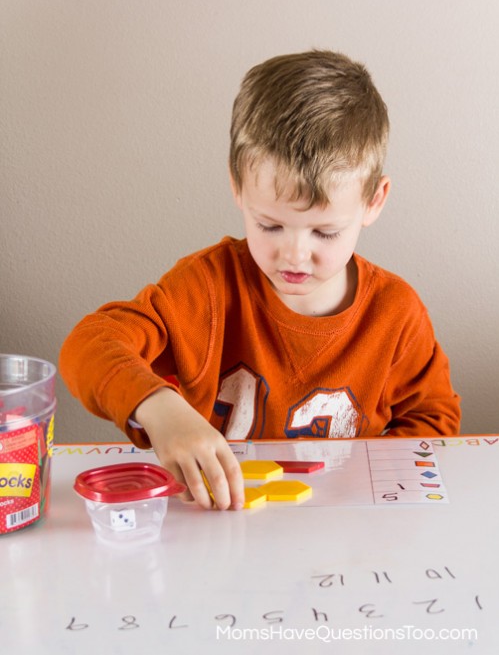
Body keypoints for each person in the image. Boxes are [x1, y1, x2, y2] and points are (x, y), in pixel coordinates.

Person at [59, 50, 461, 512]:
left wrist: (369, 494)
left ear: (374, 201)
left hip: (341, 542)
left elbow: (434, 421)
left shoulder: (395, 313)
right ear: (238, 185)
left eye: (325, 232)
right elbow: (88, 344)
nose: (294, 253)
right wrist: (160, 409)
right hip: (214, 530)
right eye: (270, 225)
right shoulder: (207, 287)